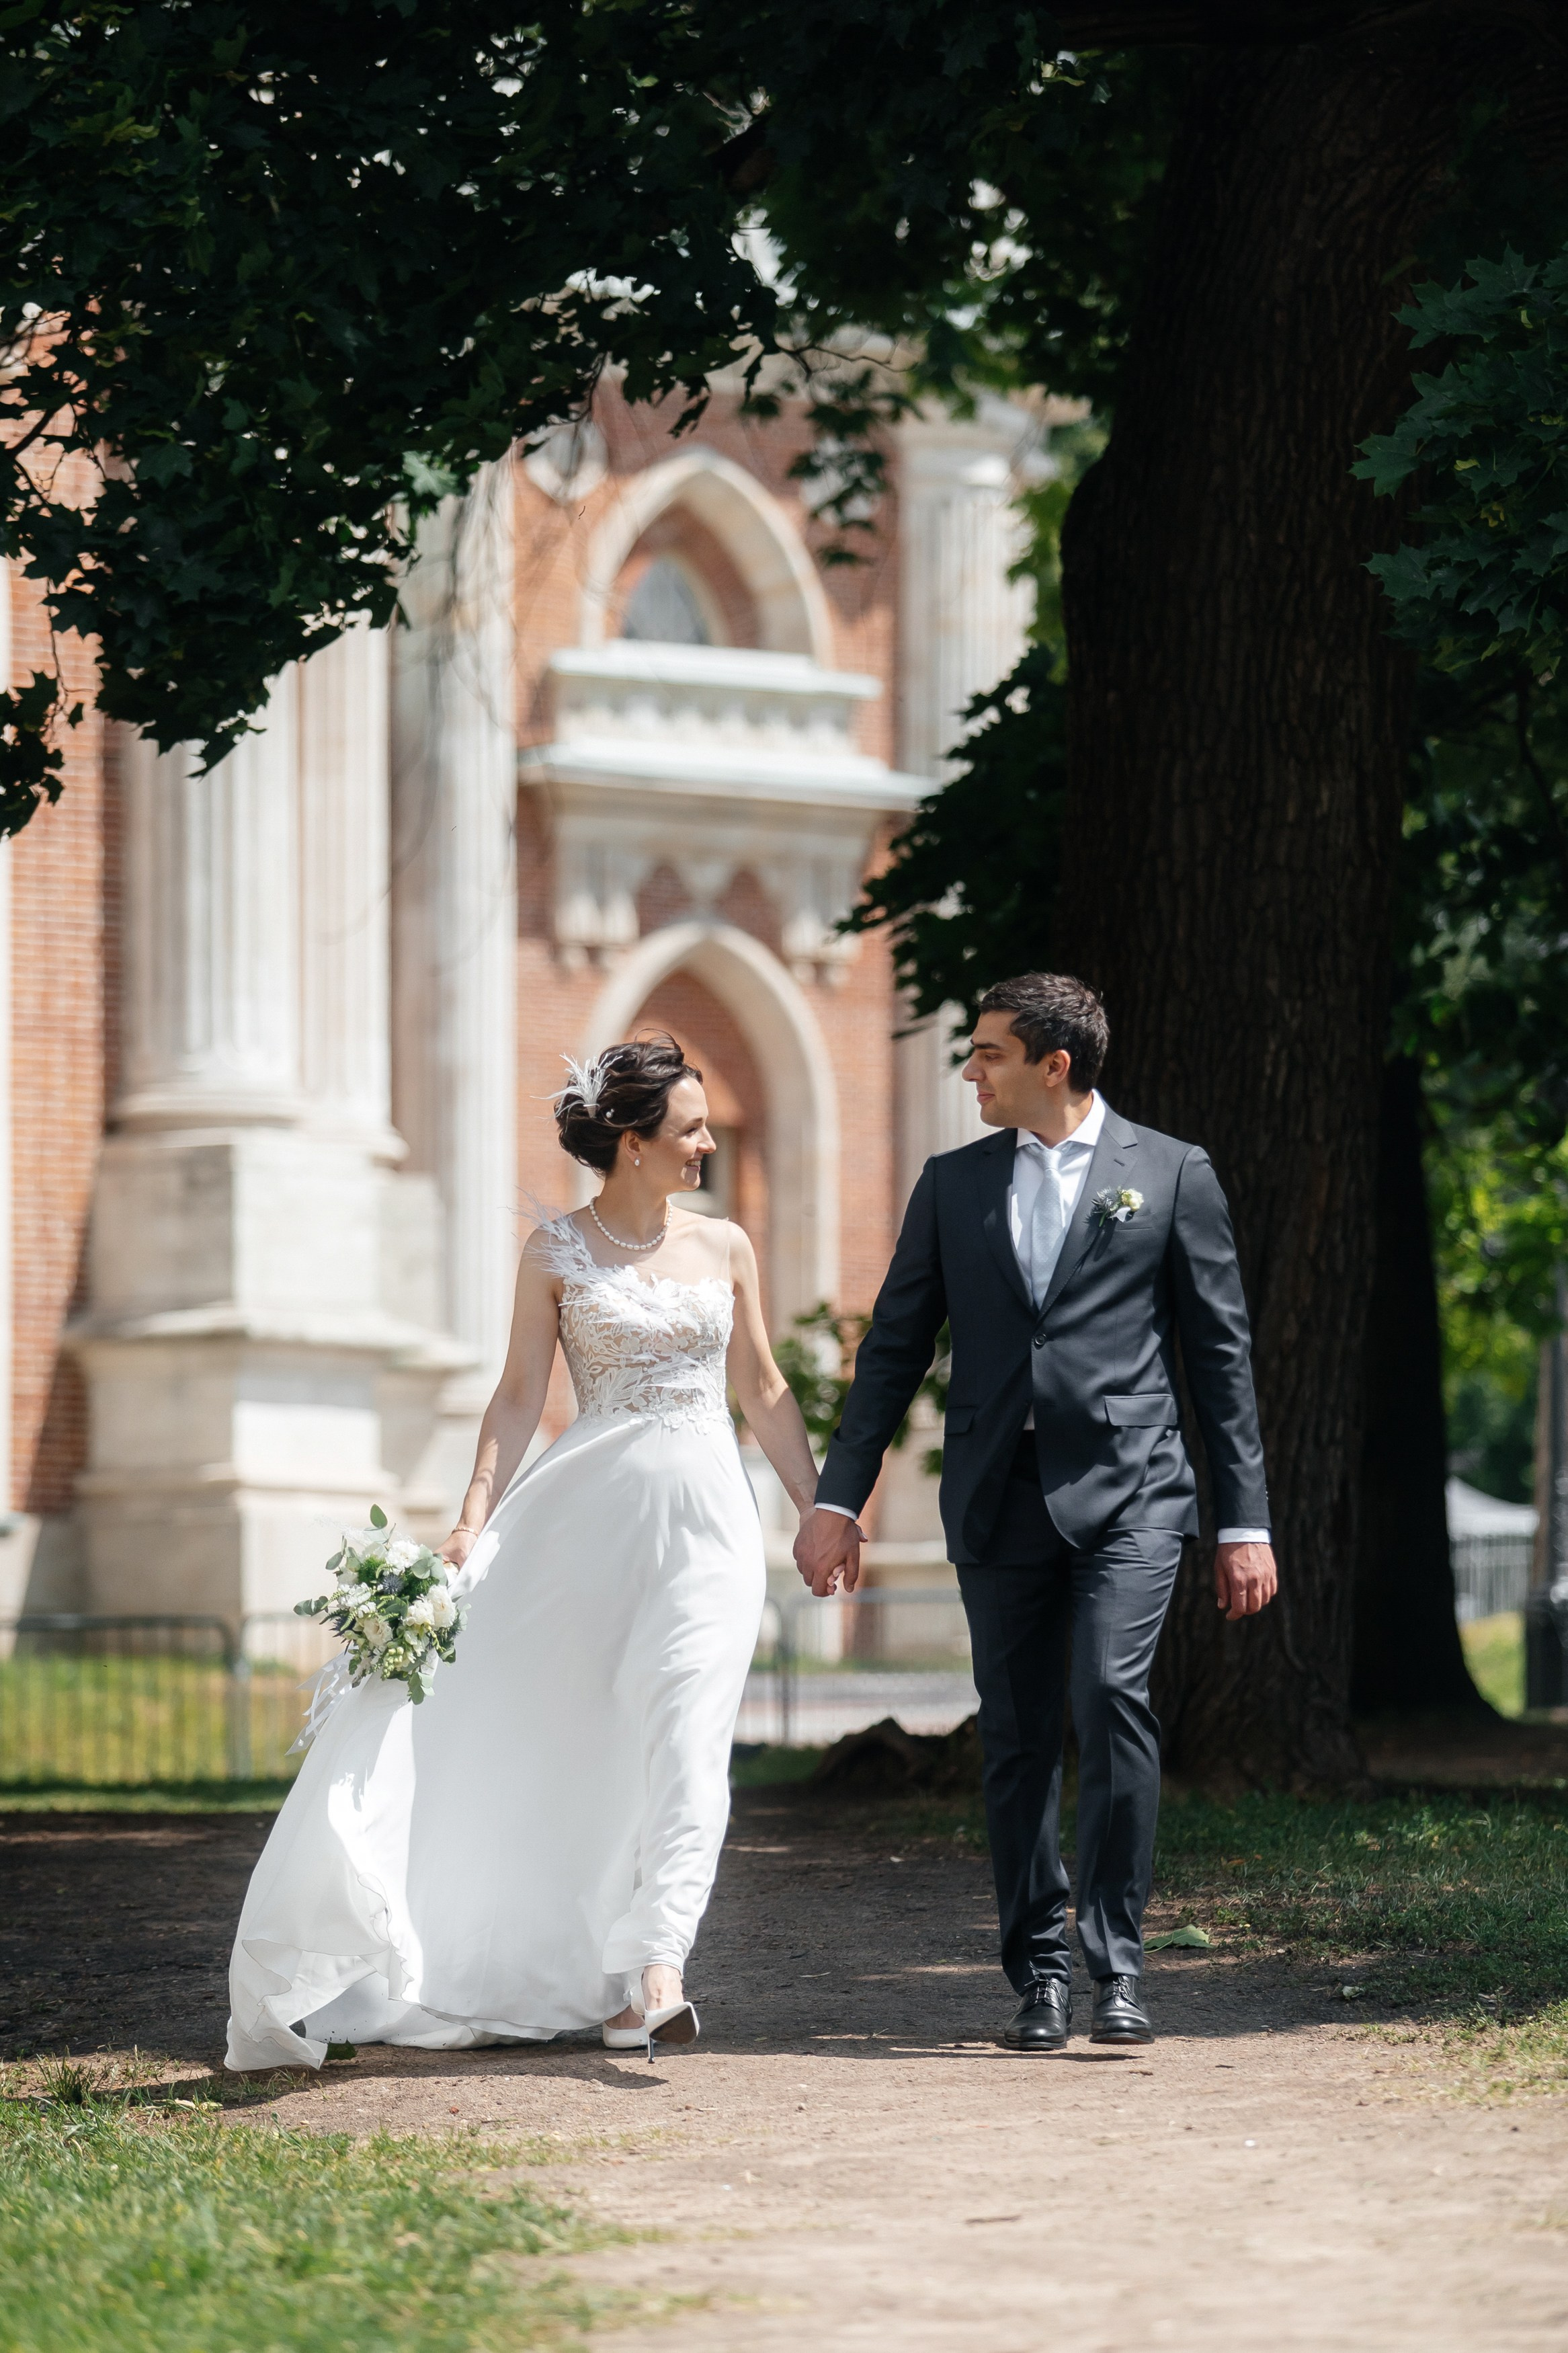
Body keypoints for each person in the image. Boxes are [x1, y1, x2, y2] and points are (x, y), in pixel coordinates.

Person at [226, 1034, 821, 2069]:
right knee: (580, 1740)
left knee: (691, 1737)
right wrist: (469, 1521)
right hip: (583, 1528)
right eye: (690, 1130)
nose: (707, 1145)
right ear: (632, 1142)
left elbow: (763, 1391)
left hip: (711, 1527)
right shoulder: (554, 1254)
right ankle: (559, 1965)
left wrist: (823, 1511)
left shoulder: (725, 1245)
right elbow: (515, 1398)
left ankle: (656, 1970)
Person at [794, 973, 1276, 2052]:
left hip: (1133, 1486)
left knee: (1108, 1697)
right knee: (1015, 1738)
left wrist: (1243, 1523)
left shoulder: (1172, 1173)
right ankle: (1039, 1976)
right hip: (996, 1491)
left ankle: (1116, 1966)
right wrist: (837, 1498)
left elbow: (1219, 1357)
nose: (969, 1070)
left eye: (989, 1053)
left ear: (1054, 1066)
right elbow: (893, 1350)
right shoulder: (951, 1183)